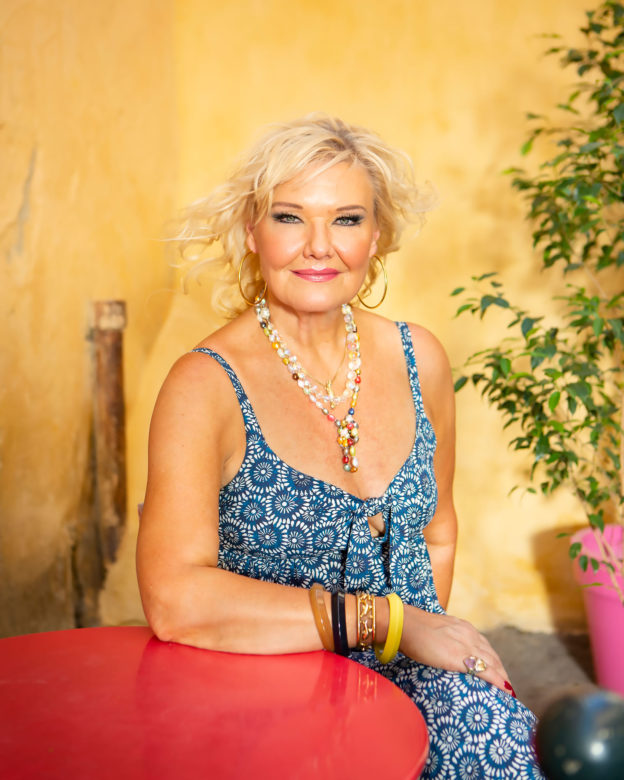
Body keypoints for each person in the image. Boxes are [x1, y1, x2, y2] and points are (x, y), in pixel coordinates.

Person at [136, 115, 544, 779]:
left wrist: (421, 645)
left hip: (404, 670)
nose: (318, 247)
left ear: (376, 236)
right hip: (266, 682)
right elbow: (175, 599)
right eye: (290, 217)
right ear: (252, 232)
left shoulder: (420, 359)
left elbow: (437, 532)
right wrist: (388, 620)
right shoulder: (204, 385)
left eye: (347, 220)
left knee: (493, 735)